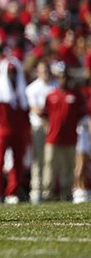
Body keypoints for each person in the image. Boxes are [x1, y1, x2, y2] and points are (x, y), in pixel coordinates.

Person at [0, 57, 30, 207]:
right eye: (10, 72)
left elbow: (24, 111)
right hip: (3, 131)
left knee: (18, 163)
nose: (12, 75)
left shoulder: (21, 87)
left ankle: (12, 192)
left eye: (14, 72)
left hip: (18, 131)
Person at [41, 62, 87, 202]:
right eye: (61, 77)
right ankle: (47, 194)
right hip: (53, 138)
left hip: (70, 138)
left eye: (65, 77)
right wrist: (48, 128)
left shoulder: (75, 96)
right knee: (50, 166)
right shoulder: (51, 95)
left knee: (68, 168)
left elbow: (81, 114)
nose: (63, 80)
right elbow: (44, 114)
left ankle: (66, 194)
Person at [25, 61, 56, 204]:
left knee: (50, 159)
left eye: (47, 70)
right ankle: (36, 189)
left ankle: (48, 189)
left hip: (53, 127)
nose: (45, 73)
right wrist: (48, 124)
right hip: (39, 127)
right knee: (38, 158)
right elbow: (35, 108)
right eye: (42, 70)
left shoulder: (54, 85)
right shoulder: (32, 88)